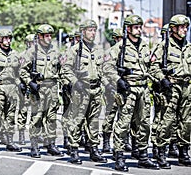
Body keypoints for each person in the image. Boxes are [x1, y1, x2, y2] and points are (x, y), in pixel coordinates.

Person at [108, 15, 159, 171]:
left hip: (143, 88)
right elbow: (106, 67)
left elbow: (152, 66)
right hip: (128, 89)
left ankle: (143, 156)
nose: (139, 29)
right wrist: (118, 79)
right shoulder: (119, 47)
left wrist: (160, 79)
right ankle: (120, 156)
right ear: (128, 29)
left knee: (144, 123)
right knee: (123, 123)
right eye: (136, 27)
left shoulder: (144, 46)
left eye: (140, 26)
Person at [61, 20, 107, 165]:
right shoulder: (74, 50)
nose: (92, 33)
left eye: (94, 30)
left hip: (96, 89)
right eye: (89, 30)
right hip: (81, 90)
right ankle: (74, 149)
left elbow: (105, 69)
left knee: (94, 121)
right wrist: (75, 82)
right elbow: (65, 69)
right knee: (77, 120)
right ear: (83, 32)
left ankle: (94, 149)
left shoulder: (99, 50)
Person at [151, 14, 191, 168]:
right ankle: (161, 152)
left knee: (186, 122)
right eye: (182, 27)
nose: (185, 29)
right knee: (167, 121)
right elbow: (153, 66)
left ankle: (183, 152)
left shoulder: (189, 47)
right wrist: (162, 79)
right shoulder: (164, 46)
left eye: (186, 27)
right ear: (173, 29)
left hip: (186, 87)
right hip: (171, 87)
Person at [20, 24, 63, 158]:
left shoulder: (55, 51)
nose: (49, 38)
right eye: (46, 36)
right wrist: (30, 82)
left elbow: (61, 70)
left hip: (52, 87)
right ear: (39, 37)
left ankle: (50, 144)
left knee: (52, 118)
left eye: (50, 35)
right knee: (37, 118)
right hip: (38, 88)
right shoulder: (31, 52)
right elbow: (22, 71)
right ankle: (34, 146)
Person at [102, 28, 131, 154]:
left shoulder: (129, 52)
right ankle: (106, 142)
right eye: (118, 38)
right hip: (112, 89)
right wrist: (108, 84)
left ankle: (126, 141)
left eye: (122, 38)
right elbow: (103, 71)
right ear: (115, 39)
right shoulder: (110, 52)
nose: (121, 41)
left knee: (125, 116)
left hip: (124, 88)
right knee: (110, 116)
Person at [17, 34, 34, 145]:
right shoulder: (22, 55)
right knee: (23, 111)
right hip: (25, 85)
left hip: (35, 86)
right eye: (31, 43)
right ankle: (21, 134)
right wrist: (19, 83)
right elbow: (17, 72)